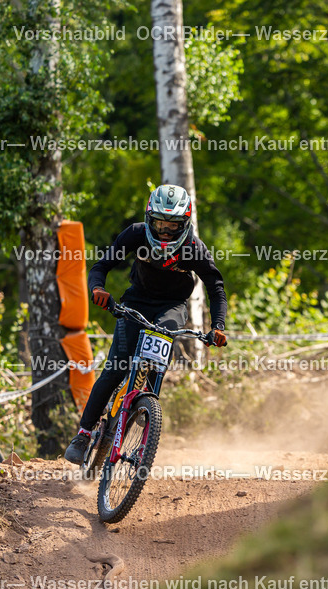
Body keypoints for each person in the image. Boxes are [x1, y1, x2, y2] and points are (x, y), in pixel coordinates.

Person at [63, 184, 228, 464]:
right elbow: (100, 267)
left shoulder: (193, 248)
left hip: (172, 307)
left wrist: (219, 325)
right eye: (160, 223)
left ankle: (145, 404)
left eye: (172, 225)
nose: (165, 230)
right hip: (136, 301)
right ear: (149, 218)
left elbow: (216, 288)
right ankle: (83, 433)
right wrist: (98, 290)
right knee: (115, 369)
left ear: (185, 224)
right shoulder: (137, 234)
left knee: (162, 334)